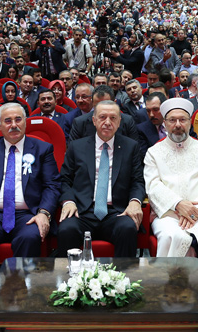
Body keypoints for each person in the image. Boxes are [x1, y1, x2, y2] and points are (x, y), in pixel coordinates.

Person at [0, 102, 60, 332]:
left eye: (18, 119)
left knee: (29, 238)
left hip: (27, 214)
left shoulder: (42, 148)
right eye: (7, 121)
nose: (14, 125)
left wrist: (44, 213)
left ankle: (15, 302)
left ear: (25, 121)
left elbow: (52, 185)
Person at [144, 98, 198, 294]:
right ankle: (170, 295)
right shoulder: (153, 153)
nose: (178, 125)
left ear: (190, 122)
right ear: (164, 124)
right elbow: (153, 186)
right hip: (168, 214)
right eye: (172, 120)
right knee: (172, 235)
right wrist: (177, 204)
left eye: (182, 120)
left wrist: (194, 210)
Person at [57, 100, 145, 258]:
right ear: (94, 120)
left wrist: (135, 201)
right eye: (103, 117)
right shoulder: (77, 147)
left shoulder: (130, 147)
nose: (108, 122)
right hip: (82, 211)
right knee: (67, 229)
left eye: (113, 118)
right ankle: (70, 273)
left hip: (116, 212)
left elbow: (137, 180)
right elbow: (65, 179)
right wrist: (68, 201)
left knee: (127, 228)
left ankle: (123, 274)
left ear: (119, 121)